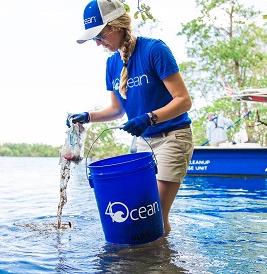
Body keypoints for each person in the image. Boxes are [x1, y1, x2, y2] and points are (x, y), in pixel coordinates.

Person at [66, 0, 193, 235]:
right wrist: (87, 116)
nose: (97, 42)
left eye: (100, 35)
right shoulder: (112, 63)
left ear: (115, 26)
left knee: (154, 215)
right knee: (138, 211)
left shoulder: (154, 50)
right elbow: (116, 110)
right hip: (144, 142)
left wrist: (149, 118)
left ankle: (161, 268)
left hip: (172, 137)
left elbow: (184, 100)